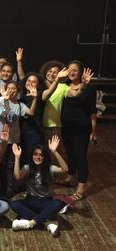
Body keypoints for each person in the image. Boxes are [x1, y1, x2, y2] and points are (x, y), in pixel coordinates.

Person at [10, 135, 68, 236]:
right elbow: (17, 177)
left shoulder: (50, 168)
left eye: (41, 155)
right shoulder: (28, 168)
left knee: (58, 203)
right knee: (14, 204)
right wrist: (17, 157)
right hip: (30, 201)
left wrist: (54, 151)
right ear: (32, 156)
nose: (38, 157)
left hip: (45, 202)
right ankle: (47, 222)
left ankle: (31, 223)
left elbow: (65, 169)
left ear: (44, 157)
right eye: (35, 154)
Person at [0, 81, 38, 198]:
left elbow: (31, 112)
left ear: (17, 91)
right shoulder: (0, 101)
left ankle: (9, 189)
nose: (11, 90)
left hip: (14, 140)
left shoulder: (19, 105)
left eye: (14, 89)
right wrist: (4, 98)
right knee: (0, 165)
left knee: (11, 165)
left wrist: (34, 99)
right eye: (9, 88)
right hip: (1, 140)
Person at [60, 61, 96, 201]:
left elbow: (92, 111)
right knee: (70, 153)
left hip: (82, 128)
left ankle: (81, 188)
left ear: (80, 72)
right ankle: (70, 177)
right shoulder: (65, 86)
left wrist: (94, 132)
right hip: (67, 127)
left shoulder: (89, 88)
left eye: (75, 70)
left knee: (80, 156)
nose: (72, 72)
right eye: (70, 70)